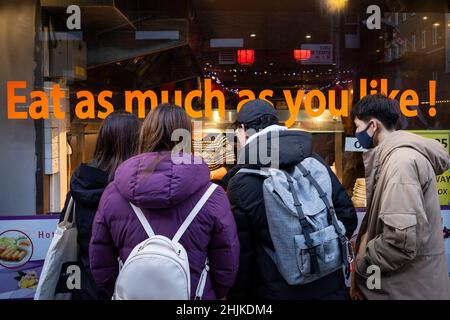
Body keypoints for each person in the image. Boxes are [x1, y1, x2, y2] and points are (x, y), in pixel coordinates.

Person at [89, 104, 240, 299]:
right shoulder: (212, 195)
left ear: (145, 134)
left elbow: (100, 261)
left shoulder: (113, 193)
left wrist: (123, 291)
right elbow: (227, 262)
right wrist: (209, 292)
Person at [225, 99, 357, 300]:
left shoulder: (242, 182)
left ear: (244, 130)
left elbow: (243, 257)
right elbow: (347, 217)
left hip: (275, 292)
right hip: (332, 288)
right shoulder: (314, 162)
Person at [352, 94, 450, 300]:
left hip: (407, 289)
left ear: (373, 126)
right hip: (412, 285)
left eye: (357, 126)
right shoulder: (396, 157)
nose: (356, 133)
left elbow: (400, 240)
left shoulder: (400, 163)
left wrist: (363, 264)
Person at [60, 111, 141, 300]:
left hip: (85, 287)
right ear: (137, 143)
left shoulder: (80, 184)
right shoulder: (137, 189)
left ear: (102, 141)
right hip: (130, 286)